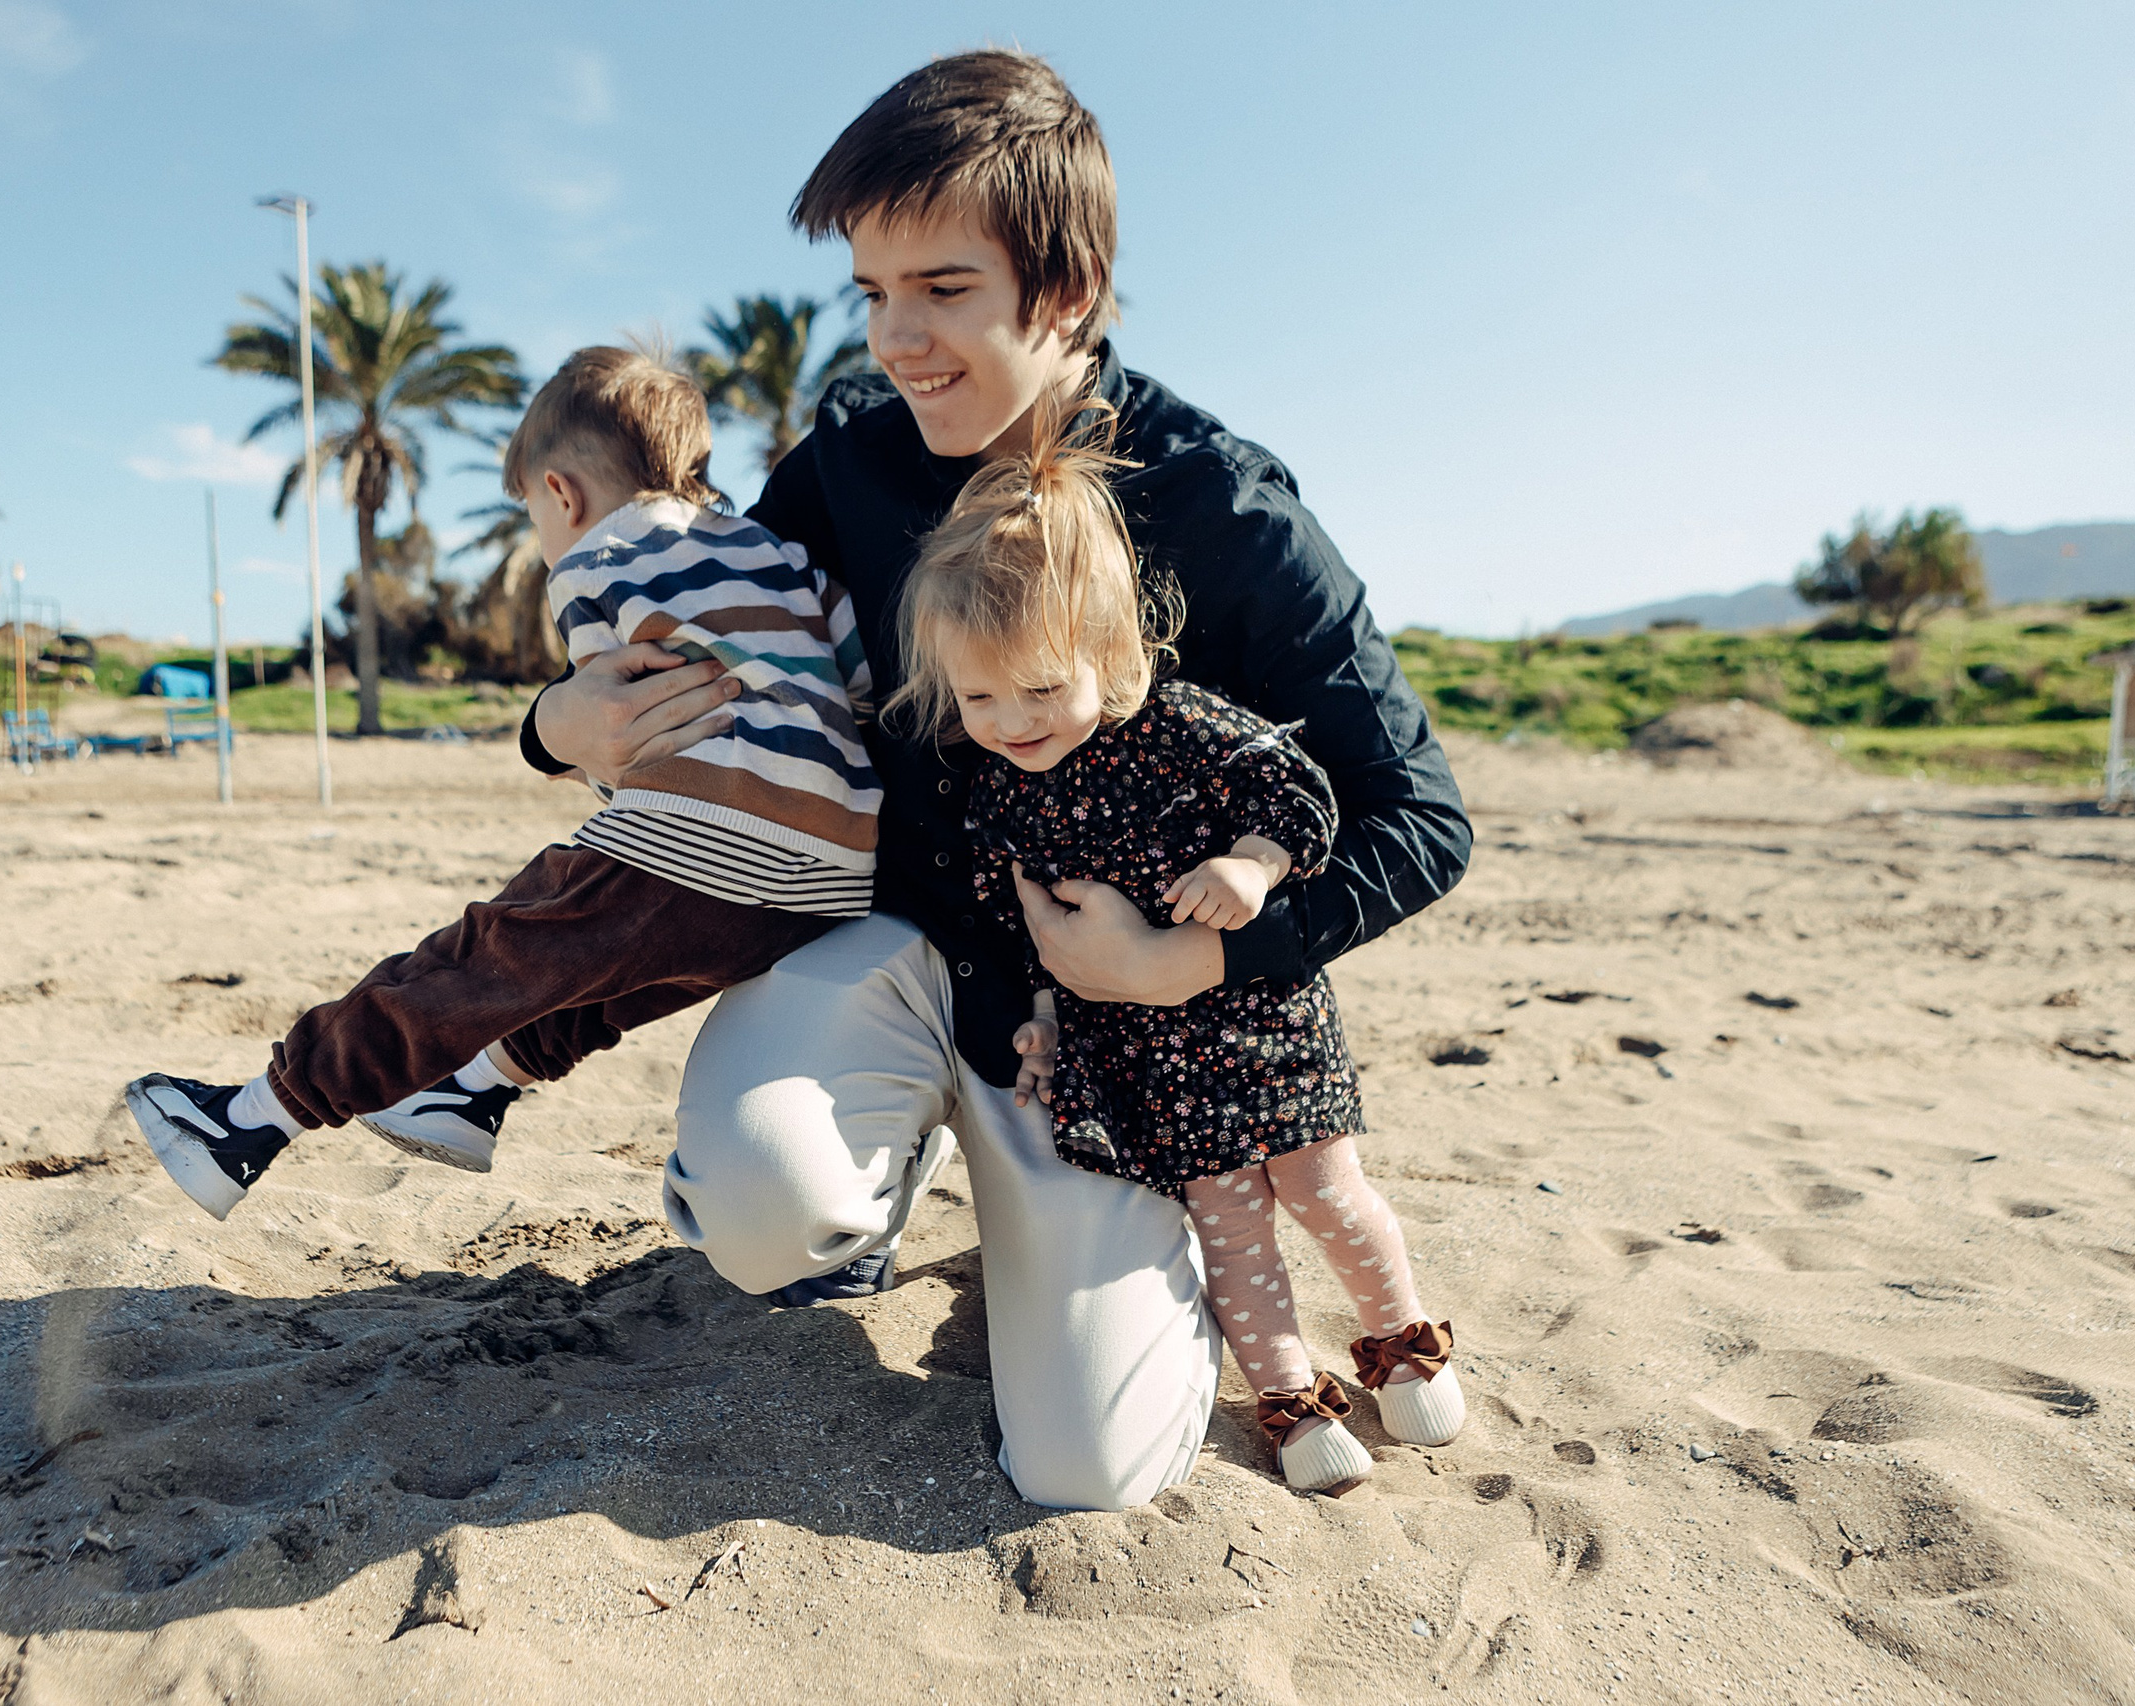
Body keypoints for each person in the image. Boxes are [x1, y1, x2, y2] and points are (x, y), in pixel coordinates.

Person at [525, 51, 1472, 1510]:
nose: (898, 339)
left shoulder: (1220, 505)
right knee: (765, 1208)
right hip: (896, 957)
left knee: (1091, 1471)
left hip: (1117, 1045)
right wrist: (557, 725)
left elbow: (1421, 816)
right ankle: (866, 1186)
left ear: (1070, 290)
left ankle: (1042, 1242)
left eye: (945, 289)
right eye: (872, 291)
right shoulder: (841, 467)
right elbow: (698, 644)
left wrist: (1191, 959)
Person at [123, 346, 881, 1221]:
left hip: (696, 832)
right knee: (608, 986)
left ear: (561, 493)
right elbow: (863, 674)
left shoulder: (600, 558)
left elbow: (616, 729)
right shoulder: (779, 554)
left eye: (533, 515)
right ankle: (471, 1092)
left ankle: (254, 1119)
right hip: (831, 874)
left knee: (487, 960)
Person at [886, 399, 1465, 1496]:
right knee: (1233, 1233)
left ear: (1107, 647)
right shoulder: (1001, 786)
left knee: (1328, 1195)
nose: (1012, 720)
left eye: (1043, 687)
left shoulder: (1185, 726)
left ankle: (1400, 1339)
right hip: (1145, 1058)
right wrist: (1040, 1015)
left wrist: (1250, 864)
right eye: (979, 696)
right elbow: (1013, 916)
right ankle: (1292, 1403)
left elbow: (1298, 787)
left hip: (1263, 1028)